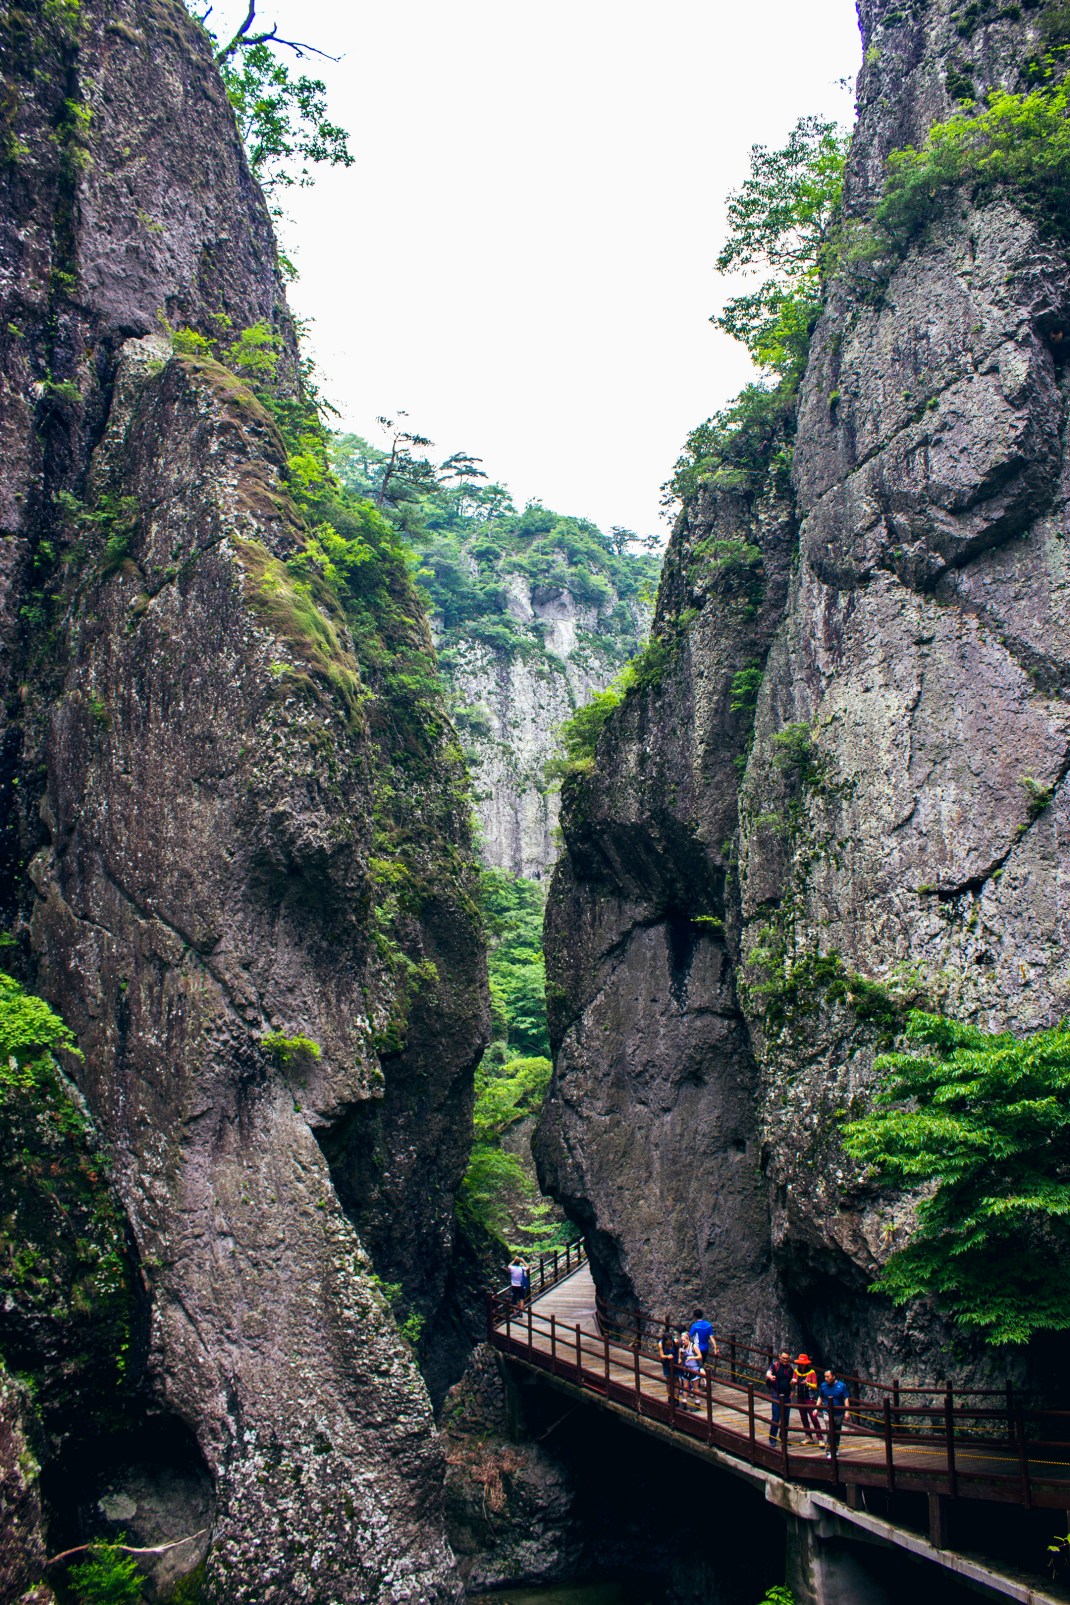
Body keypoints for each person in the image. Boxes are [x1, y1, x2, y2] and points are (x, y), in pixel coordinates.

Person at [818, 1367, 851, 1459]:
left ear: (833, 1376)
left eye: (828, 1377)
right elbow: (820, 1397)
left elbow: (846, 1398)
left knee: (836, 1431)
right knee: (829, 1430)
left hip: (838, 1412)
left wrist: (847, 1411)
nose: (826, 1379)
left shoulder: (842, 1386)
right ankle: (829, 1450)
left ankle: (835, 1448)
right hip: (827, 1412)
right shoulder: (823, 1386)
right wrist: (816, 1408)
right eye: (825, 1377)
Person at [766, 1349, 794, 1446]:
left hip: (786, 1395)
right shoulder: (775, 1366)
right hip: (777, 1395)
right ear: (780, 1357)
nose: (785, 1360)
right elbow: (768, 1372)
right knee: (776, 1417)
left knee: (785, 1418)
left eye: (787, 1358)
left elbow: (791, 1381)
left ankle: (784, 1437)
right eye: (784, 1358)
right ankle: (772, 1438)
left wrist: (793, 1390)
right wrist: (770, 1377)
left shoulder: (790, 1368)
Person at [794, 1353, 822, 1444]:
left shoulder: (811, 1372)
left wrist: (807, 1383)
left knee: (813, 1418)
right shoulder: (796, 1371)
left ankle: (820, 1438)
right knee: (803, 1417)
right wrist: (792, 1382)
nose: (801, 1365)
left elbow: (815, 1386)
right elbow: (793, 1383)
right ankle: (808, 1436)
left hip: (809, 1397)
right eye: (800, 1363)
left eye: (803, 1363)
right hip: (800, 1396)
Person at [688, 1307, 720, 1375]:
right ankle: (701, 1379)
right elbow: (711, 1337)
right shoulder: (708, 1325)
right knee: (702, 1363)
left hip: (697, 1348)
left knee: (698, 1365)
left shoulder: (695, 1326)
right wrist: (715, 1347)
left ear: (695, 1316)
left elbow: (690, 1335)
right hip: (705, 1348)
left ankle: (701, 1379)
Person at [658, 1317, 679, 1400]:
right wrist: (667, 1356)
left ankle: (677, 1398)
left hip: (675, 1361)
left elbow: (679, 1350)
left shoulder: (675, 1342)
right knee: (668, 1380)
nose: (669, 1342)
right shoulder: (661, 1344)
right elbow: (661, 1355)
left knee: (676, 1379)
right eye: (667, 1341)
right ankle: (670, 1396)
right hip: (666, 1362)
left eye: (670, 1340)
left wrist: (680, 1358)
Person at [681, 1328, 702, 1406]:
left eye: (684, 1341)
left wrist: (692, 1357)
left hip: (694, 1368)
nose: (683, 1342)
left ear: (688, 1339)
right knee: (685, 1386)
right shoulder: (682, 1347)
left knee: (695, 1387)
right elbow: (681, 1359)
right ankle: (684, 1402)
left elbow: (700, 1356)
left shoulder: (694, 1346)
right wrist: (681, 1354)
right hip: (686, 1369)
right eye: (682, 1341)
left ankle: (697, 1403)